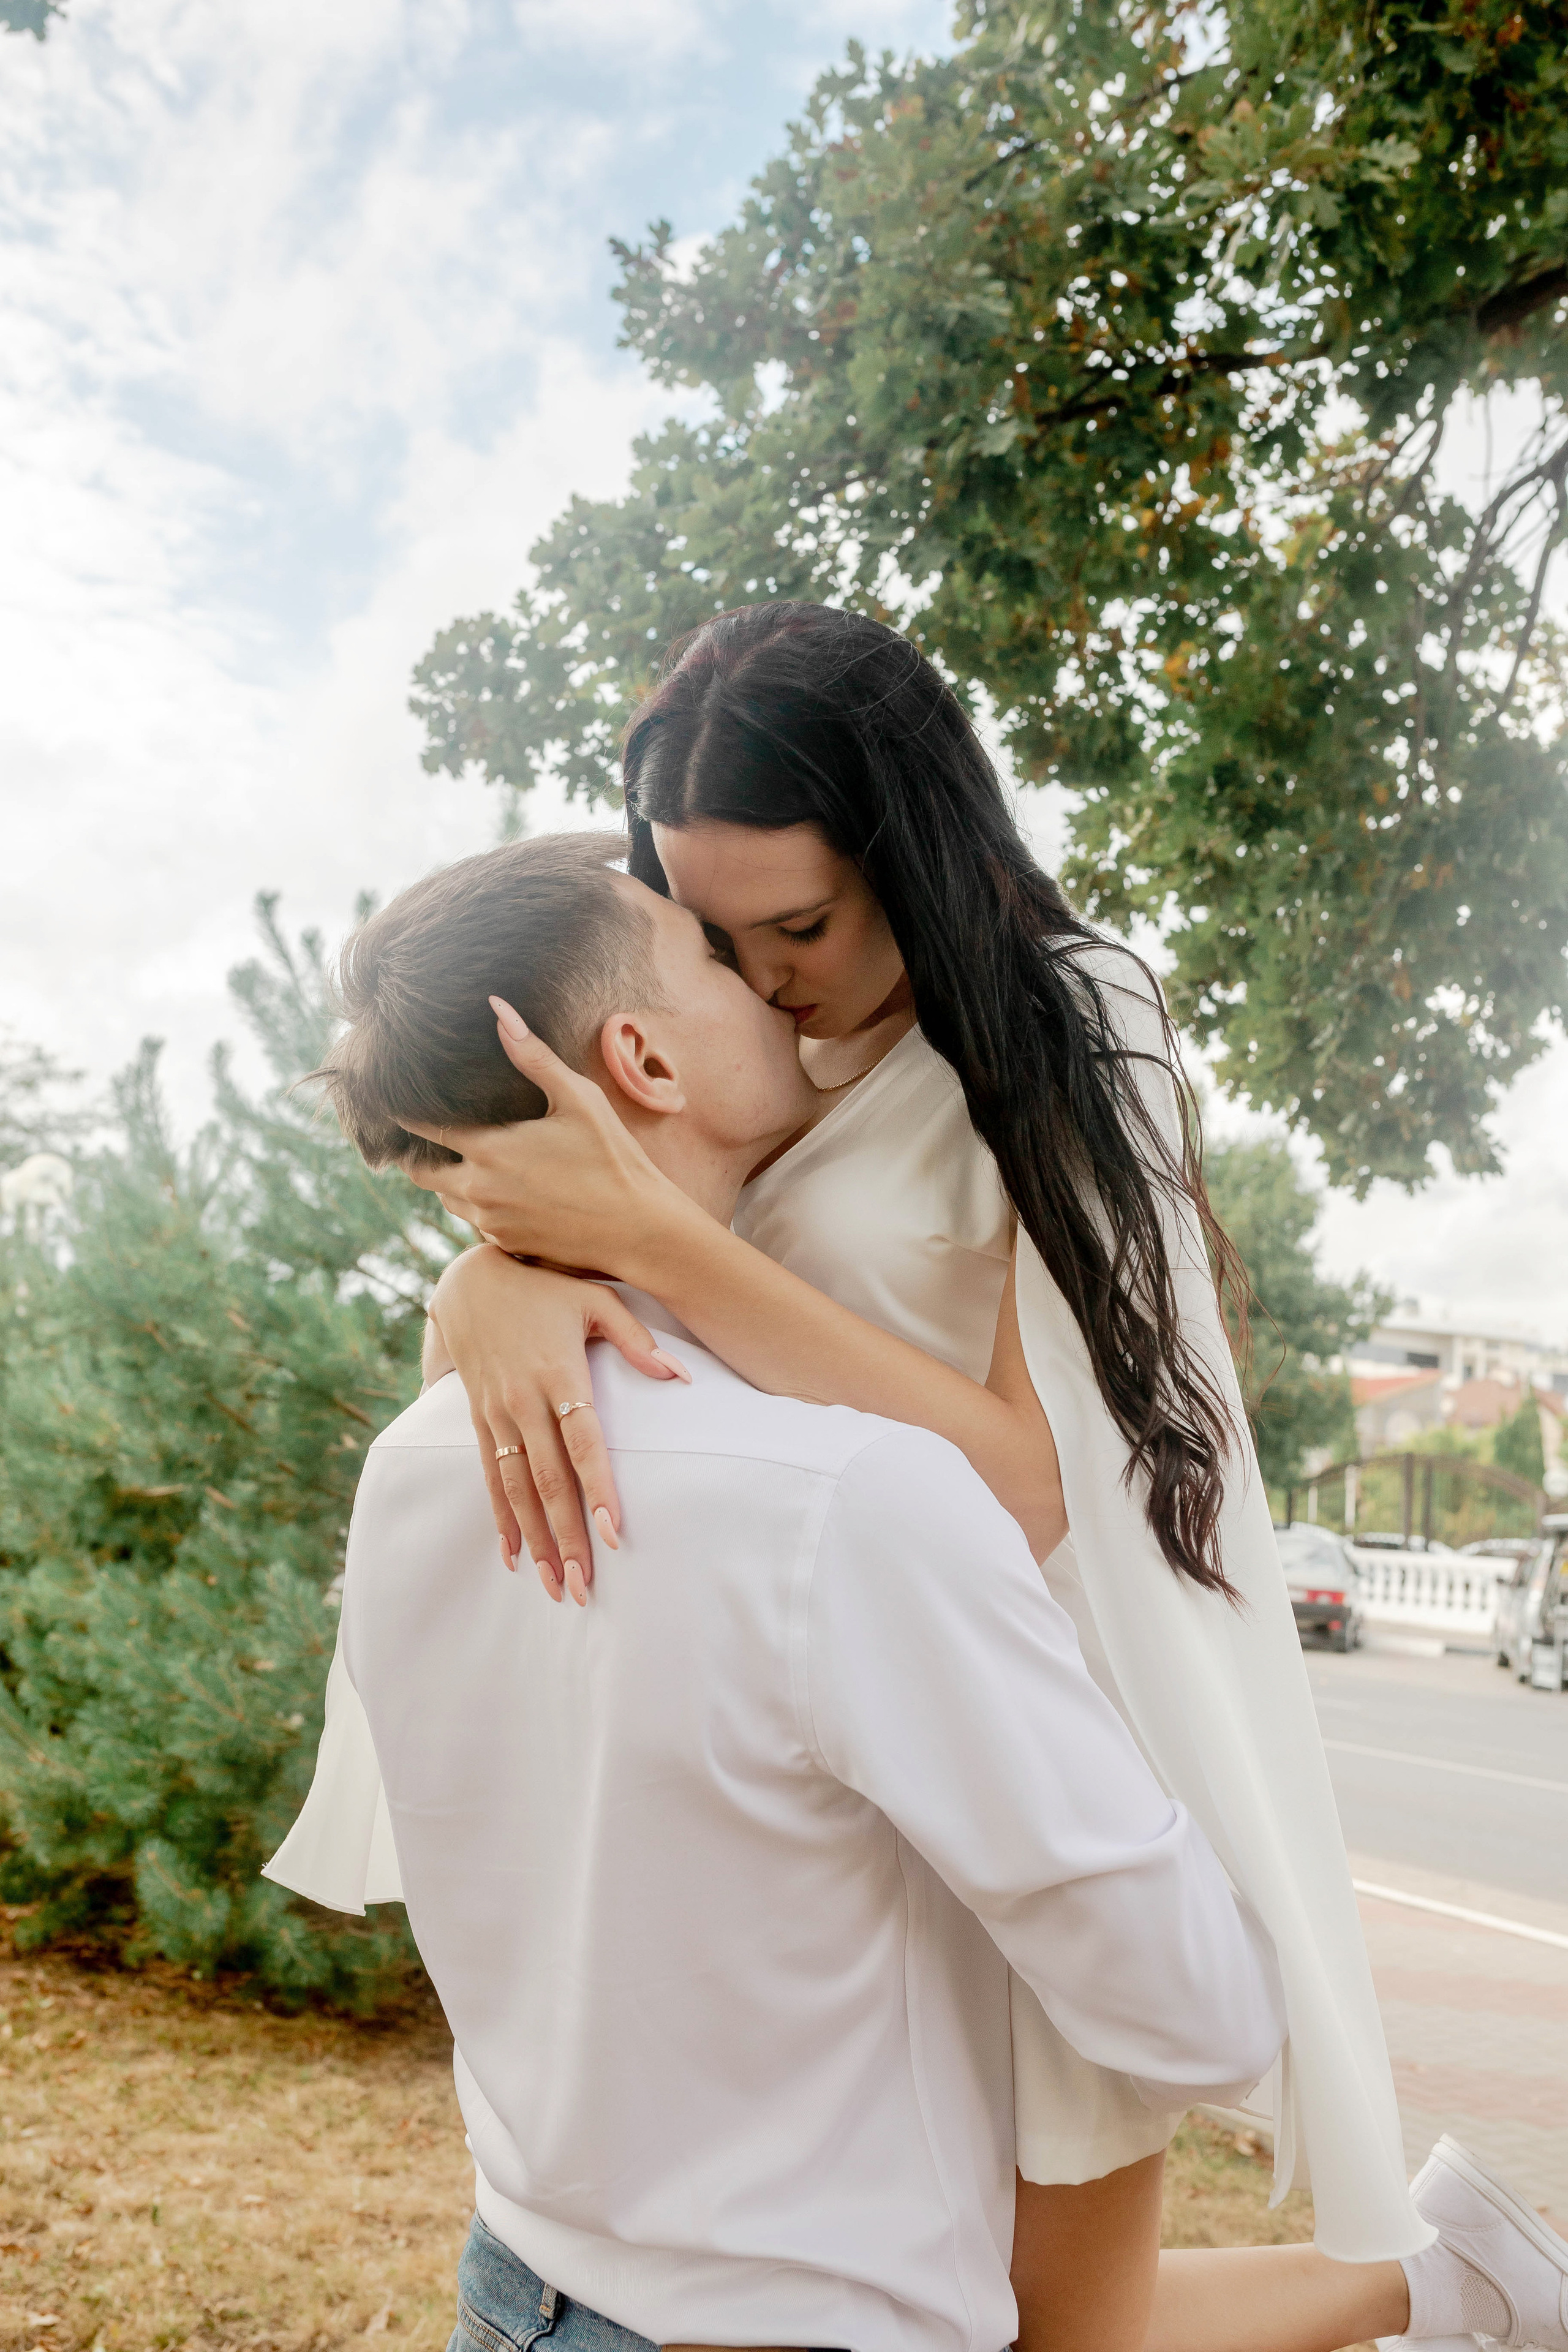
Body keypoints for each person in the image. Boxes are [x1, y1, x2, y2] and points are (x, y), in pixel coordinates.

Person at [266, 829, 1568, 2352]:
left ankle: (1446, 2278)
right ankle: (1438, 2278)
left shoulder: (414, 1467)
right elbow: (1205, 2019)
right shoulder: (852, 1505)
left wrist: (488, 1272)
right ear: (644, 1058)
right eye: (709, 955)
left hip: (521, 2289)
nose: (765, 983)